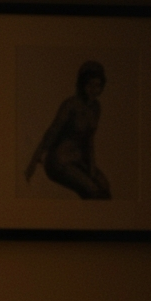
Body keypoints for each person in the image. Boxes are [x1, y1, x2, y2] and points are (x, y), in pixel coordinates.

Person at [25, 60, 111, 200]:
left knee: (105, 187)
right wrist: (33, 163)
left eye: (98, 86)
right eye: (90, 85)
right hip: (59, 161)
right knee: (93, 191)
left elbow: (89, 140)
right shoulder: (70, 105)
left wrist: (92, 167)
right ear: (82, 84)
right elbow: (51, 133)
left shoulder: (96, 107)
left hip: (78, 159)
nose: (94, 90)